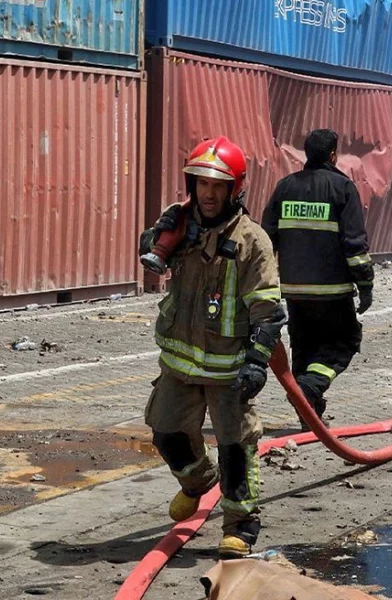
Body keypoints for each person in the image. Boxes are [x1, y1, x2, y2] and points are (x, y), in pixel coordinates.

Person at [138, 136, 286, 558]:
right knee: (166, 432)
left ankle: (241, 525)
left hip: (228, 370)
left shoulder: (252, 241)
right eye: (201, 182)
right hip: (179, 363)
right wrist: (157, 234)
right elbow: (150, 253)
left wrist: (256, 362)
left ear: (234, 189)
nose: (208, 193)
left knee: (235, 447)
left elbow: (268, 311)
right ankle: (199, 481)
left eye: (218, 185)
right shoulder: (180, 226)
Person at [260, 129, 374, 429]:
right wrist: (365, 285)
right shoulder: (343, 188)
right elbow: (354, 245)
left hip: (295, 291)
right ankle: (309, 389)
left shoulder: (285, 187)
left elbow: (265, 239)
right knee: (345, 342)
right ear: (333, 155)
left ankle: (308, 412)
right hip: (333, 291)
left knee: (304, 348)